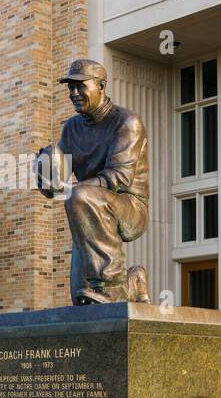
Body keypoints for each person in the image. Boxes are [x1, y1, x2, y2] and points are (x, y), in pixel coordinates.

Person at [35, 59, 150, 305]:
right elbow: (61, 180)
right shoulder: (72, 128)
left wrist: (76, 190)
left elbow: (118, 177)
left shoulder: (127, 122)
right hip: (88, 205)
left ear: (101, 86)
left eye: (80, 86)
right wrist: (47, 176)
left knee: (80, 197)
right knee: (83, 300)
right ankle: (132, 281)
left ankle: (112, 286)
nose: (74, 93)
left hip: (130, 206)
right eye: (70, 88)